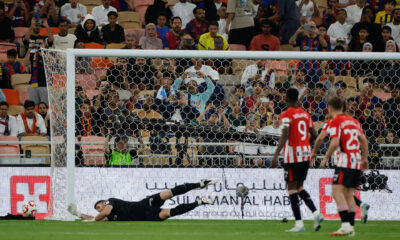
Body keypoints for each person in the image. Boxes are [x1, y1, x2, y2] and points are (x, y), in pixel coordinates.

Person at [271, 88, 323, 232]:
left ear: (287, 98)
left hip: (292, 155)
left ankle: (299, 224)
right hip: (305, 154)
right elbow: (315, 133)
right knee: (299, 187)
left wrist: (276, 154)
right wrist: (307, 143)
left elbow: (285, 133)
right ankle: (316, 213)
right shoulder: (305, 114)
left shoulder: (286, 114)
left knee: (291, 189)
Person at [320, 96, 369, 236]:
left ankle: (345, 225)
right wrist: (364, 158)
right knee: (349, 194)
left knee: (337, 192)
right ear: (344, 107)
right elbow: (364, 140)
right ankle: (351, 229)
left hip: (344, 160)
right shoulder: (354, 121)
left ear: (329, 108)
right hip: (356, 160)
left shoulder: (336, 121)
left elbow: (335, 142)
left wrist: (326, 157)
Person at [67, 179, 218, 221]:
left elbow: (102, 214)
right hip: (146, 217)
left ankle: (201, 184)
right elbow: (95, 218)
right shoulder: (106, 218)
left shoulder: (109, 203)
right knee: (171, 213)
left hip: (144, 204)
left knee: (170, 192)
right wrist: (79, 214)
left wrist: (94, 220)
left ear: (103, 201)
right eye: (97, 209)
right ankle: (200, 202)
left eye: (98, 206)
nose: (99, 209)